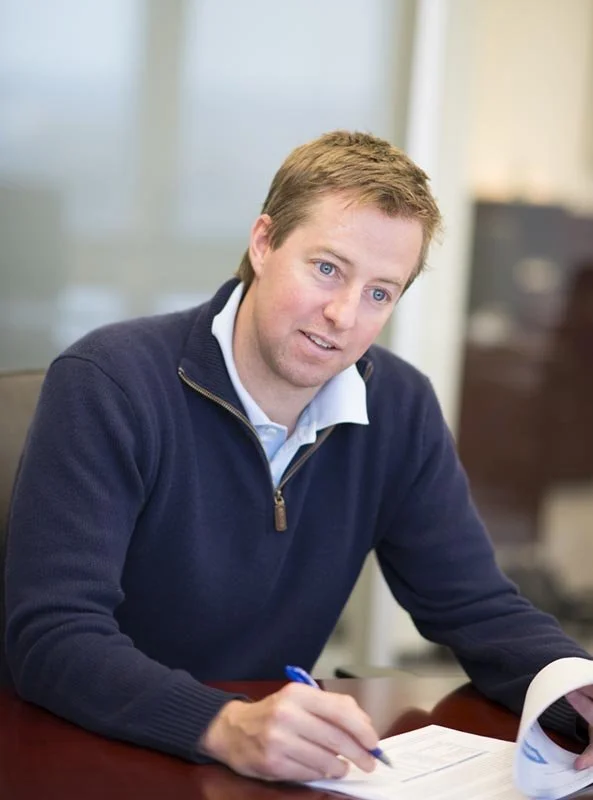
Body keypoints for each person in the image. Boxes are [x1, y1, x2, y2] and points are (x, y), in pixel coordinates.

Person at [4, 130, 593, 782]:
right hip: (89, 748)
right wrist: (222, 722)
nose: (344, 313)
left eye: (379, 293)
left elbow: (473, 603)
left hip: (269, 762)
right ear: (263, 243)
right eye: (326, 268)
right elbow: (52, 635)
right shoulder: (109, 382)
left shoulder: (397, 406)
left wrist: (572, 685)